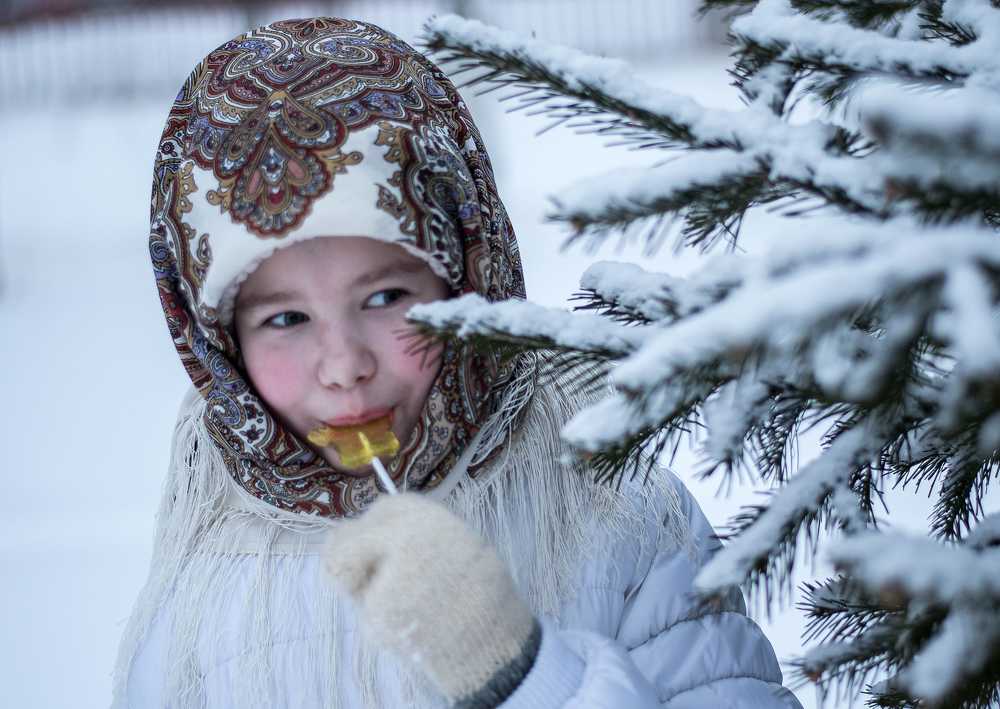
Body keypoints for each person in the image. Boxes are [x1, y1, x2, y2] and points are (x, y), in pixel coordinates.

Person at [113, 17, 804, 709]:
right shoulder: (203, 588)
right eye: (285, 318)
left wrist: (523, 673)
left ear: (468, 274)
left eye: (385, 296)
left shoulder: (615, 519)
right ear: (217, 342)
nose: (344, 364)